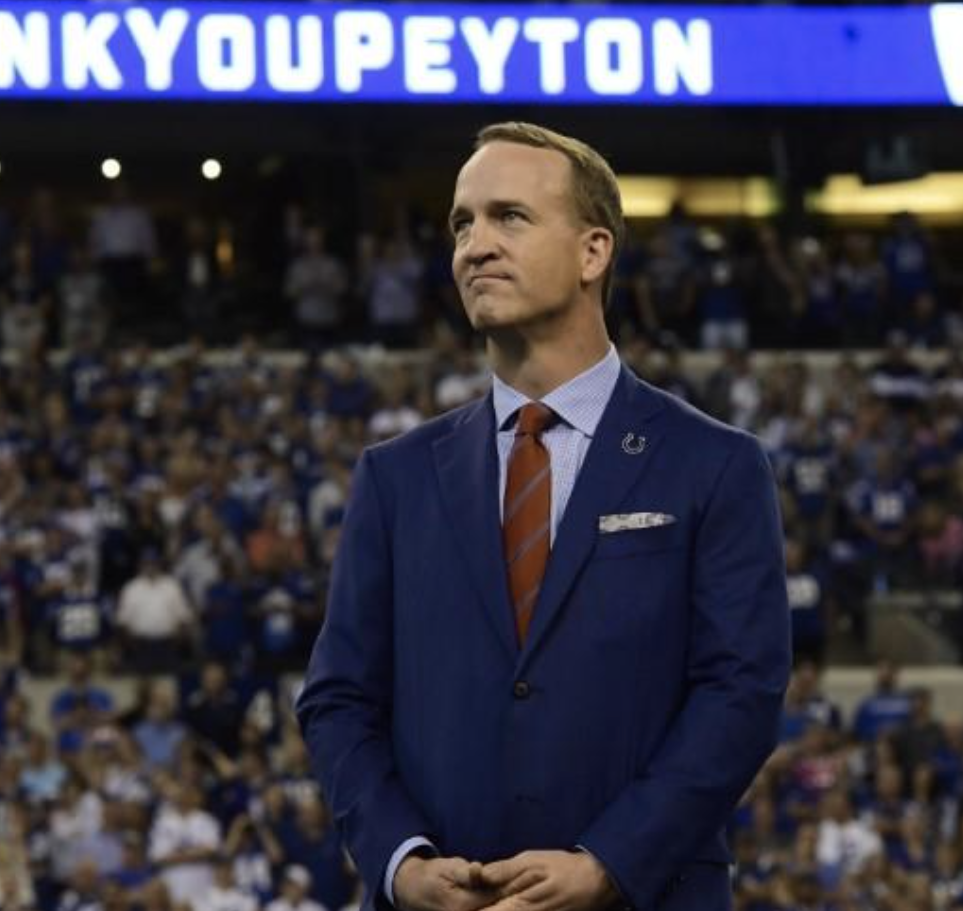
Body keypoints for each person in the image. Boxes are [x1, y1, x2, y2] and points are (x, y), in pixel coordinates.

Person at [295, 122, 791, 911]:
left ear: (594, 251)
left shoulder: (715, 464)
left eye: (508, 217)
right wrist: (401, 862)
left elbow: (741, 694)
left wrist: (609, 861)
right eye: (462, 223)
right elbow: (338, 699)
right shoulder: (394, 478)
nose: (475, 245)